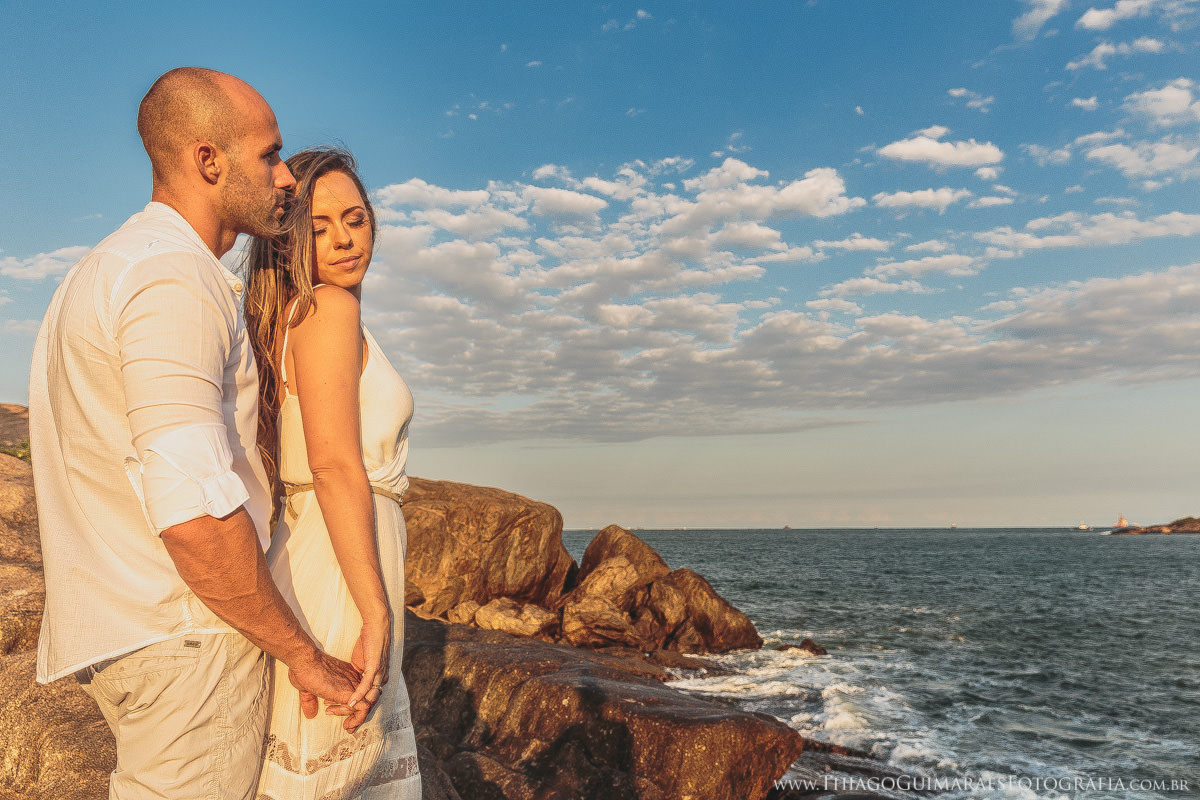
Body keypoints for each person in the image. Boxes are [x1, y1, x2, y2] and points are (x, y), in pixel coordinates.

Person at [28, 69, 372, 799]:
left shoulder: (104, 268)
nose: (286, 177)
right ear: (208, 161)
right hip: (183, 636)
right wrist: (302, 653)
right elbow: (192, 511)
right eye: (269, 155)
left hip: (124, 630)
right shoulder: (173, 280)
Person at [243, 147, 421, 798]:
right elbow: (335, 465)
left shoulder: (306, 316)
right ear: (286, 242)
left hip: (332, 550)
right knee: (336, 767)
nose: (344, 239)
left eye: (355, 219)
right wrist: (376, 613)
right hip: (338, 567)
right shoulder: (327, 309)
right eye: (318, 228)